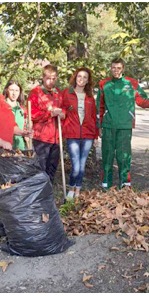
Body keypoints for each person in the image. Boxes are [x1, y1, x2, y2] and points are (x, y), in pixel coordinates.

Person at [96, 57, 149, 189]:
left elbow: (142, 101)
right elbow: (99, 107)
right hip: (108, 126)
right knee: (107, 156)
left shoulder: (132, 84)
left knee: (124, 156)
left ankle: (125, 185)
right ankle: (105, 186)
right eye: (113, 67)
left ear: (123, 68)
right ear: (110, 68)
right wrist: (99, 126)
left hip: (125, 126)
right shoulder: (104, 84)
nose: (116, 70)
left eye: (119, 68)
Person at [61, 67, 98, 199]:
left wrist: (95, 135)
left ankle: (78, 190)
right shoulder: (67, 93)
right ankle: (71, 187)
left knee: (82, 166)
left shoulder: (90, 98)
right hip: (72, 134)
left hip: (88, 135)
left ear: (88, 81)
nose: (81, 79)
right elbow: (63, 110)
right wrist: (63, 114)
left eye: (85, 78)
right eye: (79, 76)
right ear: (75, 78)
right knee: (76, 165)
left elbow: (94, 117)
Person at [27, 64, 64, 182]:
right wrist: (50, 114)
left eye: (54, 78)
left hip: (56, 138)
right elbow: (32, 114)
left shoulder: (58, 92)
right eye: (48, 78)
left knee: (52, 168)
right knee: (40, 169)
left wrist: (62, 113)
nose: (51, 81)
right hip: (41, 138)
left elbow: (63, 109)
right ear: (43, 77)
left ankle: (48, 194)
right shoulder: (35, 93)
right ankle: (38, 196)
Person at [3, 81, 27, 151]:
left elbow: (25, 126)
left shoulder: (22, 109)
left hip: (20, 146)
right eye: (11, 90)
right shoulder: (1, 107)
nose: (14, 93)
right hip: (5, 146)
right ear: (6, 90)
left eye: (17, 90)